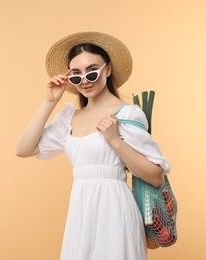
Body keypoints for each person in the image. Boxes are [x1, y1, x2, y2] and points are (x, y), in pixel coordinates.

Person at [15, 31, 171, 260]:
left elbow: (156, 176)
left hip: (115, 211)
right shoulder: (70, 118)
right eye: (76, 75)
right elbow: (23, 149)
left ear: (107, 70)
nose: (85, 80)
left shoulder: (127, 114)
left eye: (92, 71)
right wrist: (49, 102)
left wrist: (115, 141)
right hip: (81, 212)